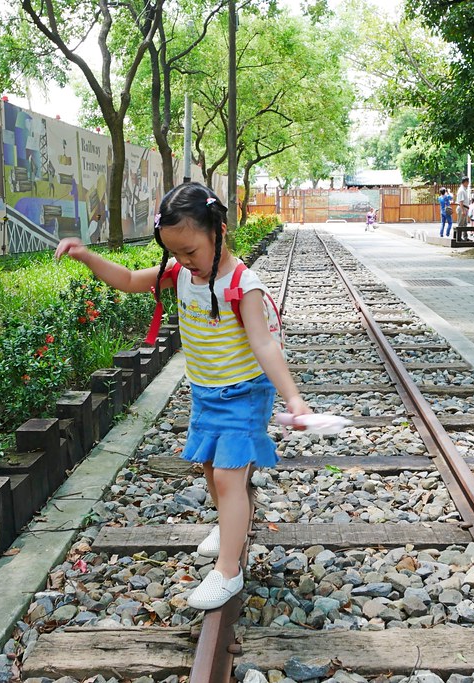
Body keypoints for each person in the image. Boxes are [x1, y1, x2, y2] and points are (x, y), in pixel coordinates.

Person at [54, 182, 311, 611]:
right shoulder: (180, 273)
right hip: (206, 392)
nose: (183, 261)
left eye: (190, 251)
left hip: (244, 394)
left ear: (219, 231)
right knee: (212, 470)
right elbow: (129, 279)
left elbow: (266, 345)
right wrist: (86, 255)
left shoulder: (242, 286)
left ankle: (228, 570)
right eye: (175, 253)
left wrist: (293, 399)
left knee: (229, 477)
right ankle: (231, 525)